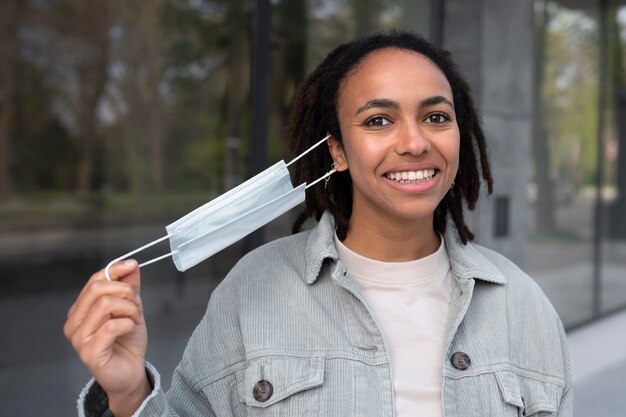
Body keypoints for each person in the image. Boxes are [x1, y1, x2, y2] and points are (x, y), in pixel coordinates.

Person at [64, 31, 572, 417]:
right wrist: (129, 393)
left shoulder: (522, 306)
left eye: (436, 117)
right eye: (378, 120)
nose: (416, 142)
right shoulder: (253, 291)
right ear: (335, 151)